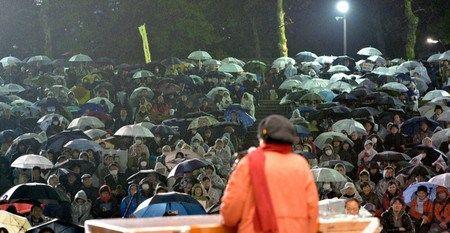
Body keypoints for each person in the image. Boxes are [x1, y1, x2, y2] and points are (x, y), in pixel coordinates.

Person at [221, 115, 319, 233]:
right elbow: (312, 209)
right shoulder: (300, 164)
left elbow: (230, 214)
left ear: (262, 138)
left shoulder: (249, 162)